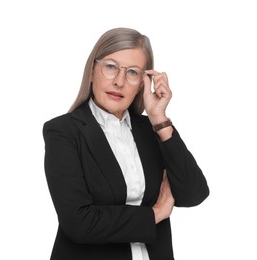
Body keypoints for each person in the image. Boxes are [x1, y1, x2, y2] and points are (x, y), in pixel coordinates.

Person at [43, 27, 209, 260]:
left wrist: (160, 120)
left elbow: (194, 193)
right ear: (92, 71)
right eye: (110, 67)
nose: (119, 81)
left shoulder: (151, 130)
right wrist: (155, 214)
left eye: (132, 72)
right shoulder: (64, 131)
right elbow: (78, 222)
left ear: (143, 83)